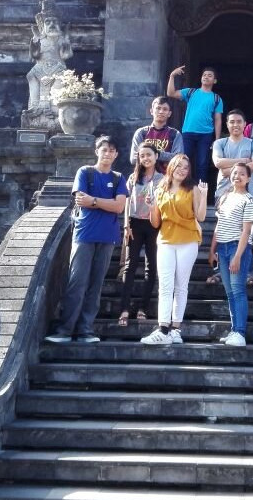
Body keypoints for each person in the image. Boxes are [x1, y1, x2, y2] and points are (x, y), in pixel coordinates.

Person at [47, 136, 128, 344]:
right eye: (104, 149)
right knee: (77, 282)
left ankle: (85, 330)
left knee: (96, 284)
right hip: (85, 233)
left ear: (116, 154)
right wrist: (103, 202)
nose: (108, 153)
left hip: (107, 236)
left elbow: (119, 207)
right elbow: (80, 200)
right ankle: (65, 329)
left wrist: (93, 201)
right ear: (97, 151)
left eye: (112, 150)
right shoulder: (85, 172)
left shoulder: (119, 178)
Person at [141, 154, 208, 345]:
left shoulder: (192, 189)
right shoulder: (160, 188)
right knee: (165, 284)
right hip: (165, 239)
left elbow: (201, 217)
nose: (182, 170)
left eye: (186, 167)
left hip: (188, 240)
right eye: (178, 166)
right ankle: (163, 328)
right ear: (171, 167)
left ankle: (176, 329)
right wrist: (151, 206)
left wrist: (203, 196)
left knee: (181, 285)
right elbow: (155, 223)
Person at [207, 109, 253, 286]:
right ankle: (219, 270)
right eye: (231, 121)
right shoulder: (220, 143)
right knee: (224, 231)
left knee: (247, 232)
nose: (235, 124)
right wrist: (243, 161)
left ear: (245, 124)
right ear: (227, 124)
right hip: (223, 194)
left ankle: (246, 271)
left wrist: (228, 167)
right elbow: (217, 163)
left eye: (239, 121)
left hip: (246, 195)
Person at [207, 163, 253, 347]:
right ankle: (234, 329)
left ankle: (241, 333)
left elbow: (246, 232)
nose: (238, 176)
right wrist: (212, 249)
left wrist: (237, 256)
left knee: (238, 291)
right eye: (235, 173)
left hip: (238, 248)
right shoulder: (225, 197)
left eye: (242, 174)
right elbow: (218, 226)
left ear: (248, 178)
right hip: (223, 248)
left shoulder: (249, 200)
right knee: (230, 293)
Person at [118, 141, 164, 326]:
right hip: (135, 224)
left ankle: (143, 307)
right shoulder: (133, 177)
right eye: (142, 155)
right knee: (130, 266)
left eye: (149, 155)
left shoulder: (162, 179)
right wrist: (126, 225)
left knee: (151, 266)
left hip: (154, 224)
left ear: (156, 157)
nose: (145, 158)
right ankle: (124, 308)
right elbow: (127, 203)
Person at [167, 65, 223, 184]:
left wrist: (217, 139)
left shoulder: (217, 98)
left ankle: (200, 193)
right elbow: (171, 93)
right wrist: (172, 75)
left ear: (215, 81)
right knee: (183, 162)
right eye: (204, 75)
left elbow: (218, 119)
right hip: (188, 132)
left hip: (206, 135)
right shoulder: (191, 92)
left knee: (202, 165)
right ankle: (183, 189)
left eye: (210, 75)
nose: (206, 77)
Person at [129, 96, 184, 173]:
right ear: (151, 111)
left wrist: (154, 154)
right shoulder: (141, 133)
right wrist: (159, 155)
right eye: (158, 108)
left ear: (169, 113)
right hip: (144, 178)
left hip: (166, 178)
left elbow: (179, 159)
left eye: (165, 109)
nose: (161, 111)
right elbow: (134, 159)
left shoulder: (175, 134)